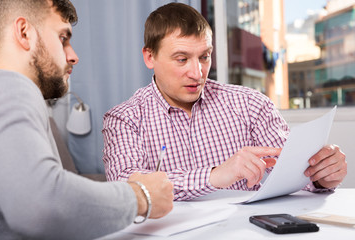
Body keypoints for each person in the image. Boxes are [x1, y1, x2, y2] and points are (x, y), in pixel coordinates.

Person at [102, 2, 347, 201]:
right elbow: (125, 190)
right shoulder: (124, 119)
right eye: (181, 59)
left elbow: (291, 176)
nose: (197, 73)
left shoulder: (251, 105)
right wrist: (214, 176)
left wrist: (319, 176)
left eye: (205, 57)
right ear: (149, 57)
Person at [0, 0, 173, 239]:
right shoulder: (10, 86)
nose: (74, 56)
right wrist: (142, 196)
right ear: (24, 33)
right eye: (62, 38)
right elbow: (40, 204)